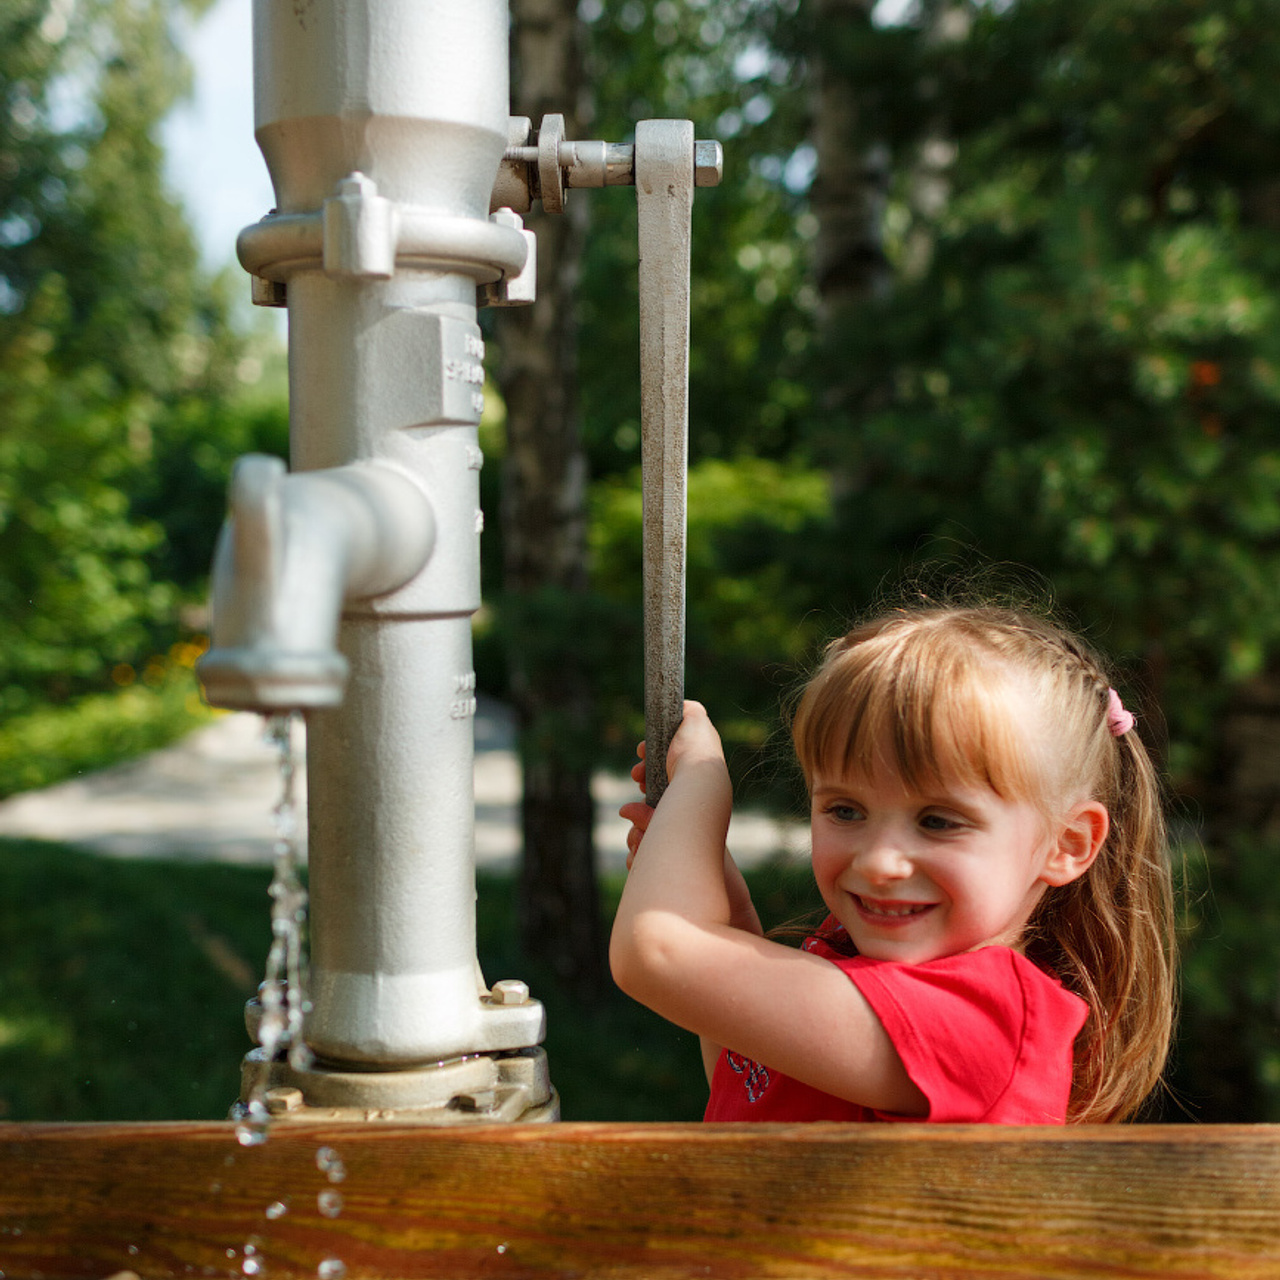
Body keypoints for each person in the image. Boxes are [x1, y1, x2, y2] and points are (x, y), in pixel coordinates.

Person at [609, 604, 1176, 1124]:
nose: (880, 862)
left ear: (1067, 844)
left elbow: (654, 953)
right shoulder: (869, 966)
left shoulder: (982, 1023)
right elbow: (757, 1075)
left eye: (937, 821)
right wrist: (724, 906)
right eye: (846, 809)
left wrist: (704, 780)